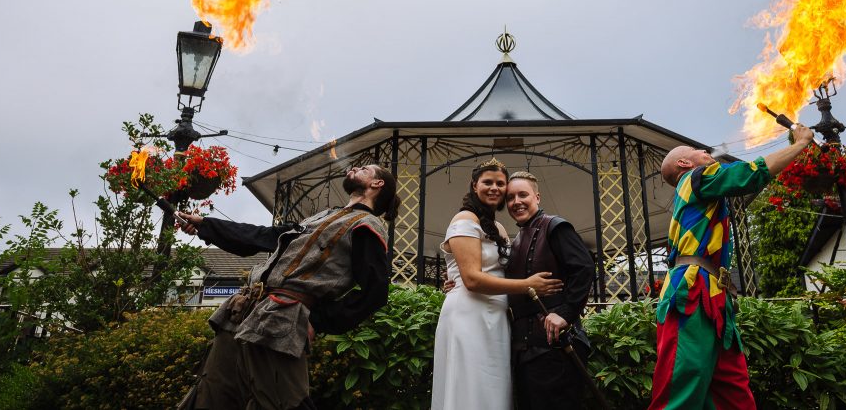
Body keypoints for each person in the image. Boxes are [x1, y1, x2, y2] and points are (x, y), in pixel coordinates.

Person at [176, 163, 399, 410]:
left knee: (282, 403)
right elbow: (262, 236)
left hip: (281, 319)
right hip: (241, 311)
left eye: (365, 168)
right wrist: (206, 225)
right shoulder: (321, 217)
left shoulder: (367, 225)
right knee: (212, 396)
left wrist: (317, 320)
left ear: (377, 184)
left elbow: (376, 292)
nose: (355, 167)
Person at [649, 125, 815, 410]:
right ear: (684, 163)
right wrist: (799, 144)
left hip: (712, 295)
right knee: (680, 388)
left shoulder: (701, 190)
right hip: (691, 293)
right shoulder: (695, 177)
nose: (706, 151)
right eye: (699, 151)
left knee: (731, 392)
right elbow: (750, 174)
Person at [431, 158, 563, 410]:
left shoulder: (500, 227)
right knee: (471, 386)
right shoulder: (464, 219)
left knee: (494, 388)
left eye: (500, 183)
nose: (494, 188)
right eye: (487, 182)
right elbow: (471, 279)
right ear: (474, 185)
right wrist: (527, 285)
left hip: (498, 317)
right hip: (469, 314)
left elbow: (504, 269)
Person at [504, 171, 595, 410]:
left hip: (554, 348)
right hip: (525, 348)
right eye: (510, 197)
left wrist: (565, 313)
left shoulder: (555, 226)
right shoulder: (517, 238)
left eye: (523, 194)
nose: (516, 202)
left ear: (537, 196)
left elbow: (584, 268)